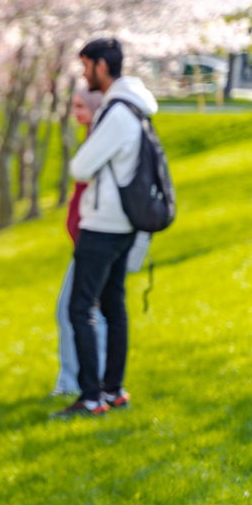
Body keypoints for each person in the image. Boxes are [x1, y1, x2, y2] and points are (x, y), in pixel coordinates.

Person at [54, 37, 158, 418]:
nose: (84, 73)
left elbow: (80, 167)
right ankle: (113, 391)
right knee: (114, 306)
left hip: (103, 225)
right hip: (124, 223)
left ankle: (92, 397)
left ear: (101, 65)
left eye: (85, 66)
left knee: (80, 309)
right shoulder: (136, 108)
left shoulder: (116, 112)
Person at [52, 88, 108, 396]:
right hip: (85, 242)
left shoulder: (101, 143)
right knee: (87, 311)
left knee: (74, 310)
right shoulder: (91, 139)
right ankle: (83, 380)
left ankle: (77, 382)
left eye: (80, 106)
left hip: (95, 241)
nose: (75, 112)